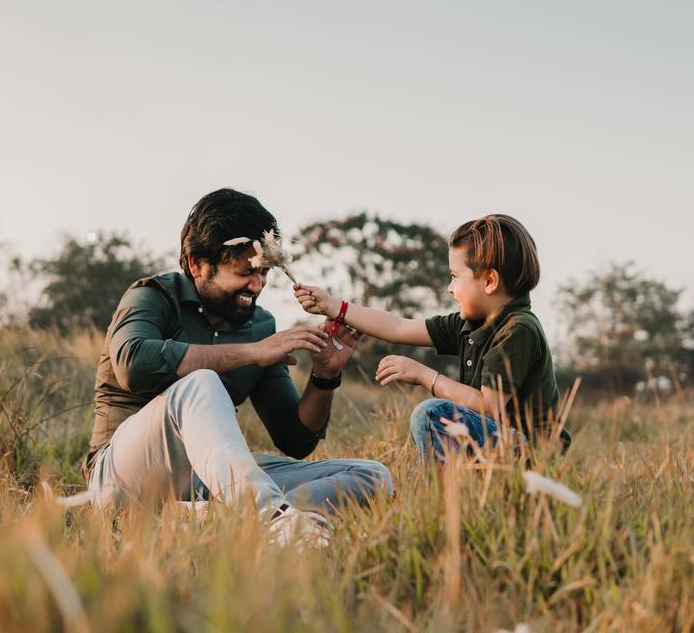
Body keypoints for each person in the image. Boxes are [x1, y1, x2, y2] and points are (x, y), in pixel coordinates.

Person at [82, 188, 392, 543]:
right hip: (120, 479)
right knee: (201, 383)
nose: (256, 285)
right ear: (196, 263)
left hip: (208, 482)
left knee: (370, 475)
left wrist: (325, 374)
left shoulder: (259, 325)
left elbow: (295, 439)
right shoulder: (152, 296)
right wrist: (252, 353)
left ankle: (212, 521)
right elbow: (133, 363)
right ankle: (272, 522)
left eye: (263, 273)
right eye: (244, 272)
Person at [294, 214, 569, 462]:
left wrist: (425, 376)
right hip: (500, 442)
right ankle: (454, 498)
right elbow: (398, 327)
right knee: (440, 419)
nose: (450, 288)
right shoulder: (469, 323)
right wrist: (335, 307)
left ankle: (448, 498)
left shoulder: (518, 329)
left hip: (536, 453)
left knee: (432, 414)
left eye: (454, 276)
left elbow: (489, 406)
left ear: (489, 281)